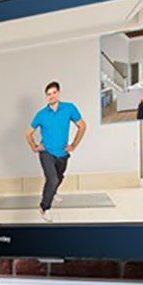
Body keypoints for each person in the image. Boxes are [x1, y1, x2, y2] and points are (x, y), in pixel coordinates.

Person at [26, 81, 86, 222]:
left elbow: (82, 126)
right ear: (46, 97)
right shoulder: (41, 114)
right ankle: (44, 208)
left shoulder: (69, 108)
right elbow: (28, 133)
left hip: (62, 153)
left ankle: (53, 192)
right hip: (46, 152)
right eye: (48, 94)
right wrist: (34, 145)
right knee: (52, 180)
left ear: (58, 93)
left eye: (54, 93)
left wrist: (73, 145)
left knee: (59, 178)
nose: (51, 96)